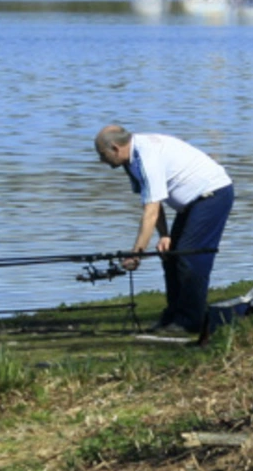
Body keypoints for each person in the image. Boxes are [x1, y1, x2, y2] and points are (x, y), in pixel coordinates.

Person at [94, 123, 234, 338]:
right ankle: (174, 315)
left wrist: (136, 253)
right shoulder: (131, 160)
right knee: (169, 255)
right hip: (191, 204)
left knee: (190, 258)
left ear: (115, 148)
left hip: (212, 196)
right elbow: (153, 201)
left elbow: (150, 212)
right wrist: (164, 235)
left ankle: (190, 321)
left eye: (102, 155)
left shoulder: (146, 157)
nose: (101, 161)